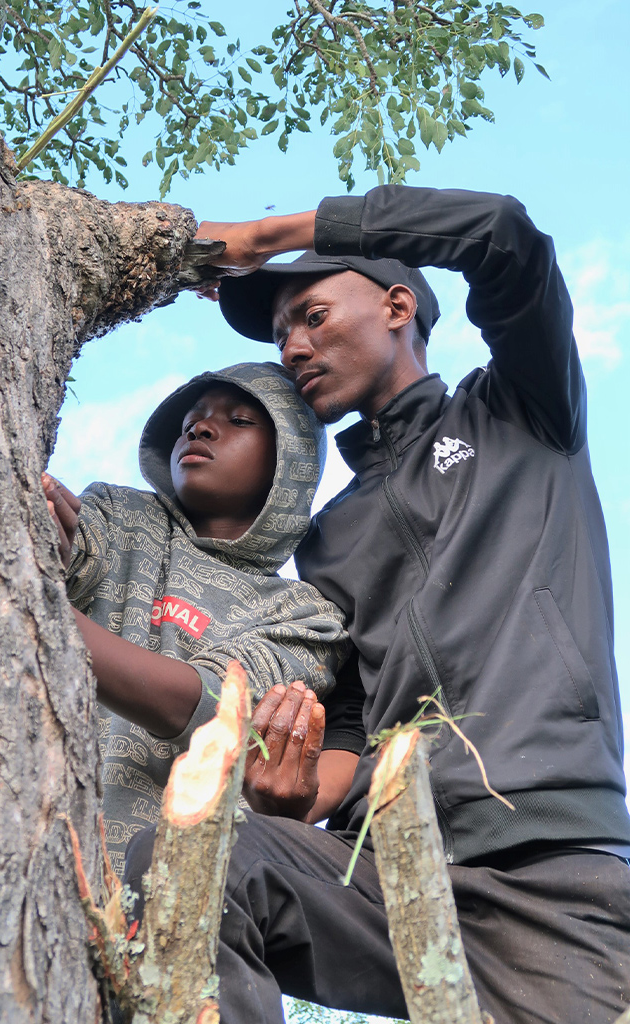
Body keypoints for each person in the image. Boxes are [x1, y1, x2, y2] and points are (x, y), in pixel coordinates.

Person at [123, 184, 630, 1023]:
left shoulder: (522, 415)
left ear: (399, 306)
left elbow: (502, 234)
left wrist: (267, 235)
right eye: (283, 332)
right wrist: (292, 797)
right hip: (387, 872)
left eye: (312, 315)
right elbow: (354, 728)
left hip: (550, 877)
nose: (293, 345)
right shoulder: (330, 539)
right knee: (193, 857)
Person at [43, 361, 346, 876]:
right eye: (193, 419)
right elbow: (73, 550)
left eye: (240, 420)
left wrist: (42, 612)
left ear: (289, 457)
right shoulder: (121, 516)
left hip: (183, 891)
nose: (200, 427)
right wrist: (47, 538)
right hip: (41, 848)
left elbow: (215, 707)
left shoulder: (307, 616)